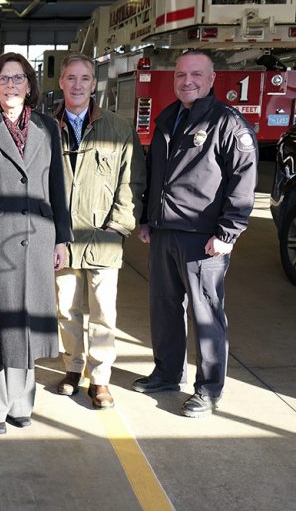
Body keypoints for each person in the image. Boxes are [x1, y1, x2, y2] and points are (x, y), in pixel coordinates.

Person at [133, 50, 257, 418]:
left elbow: (243, 181)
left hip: (203, 239)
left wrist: (228, 232)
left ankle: (208, 389)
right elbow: (155, 172)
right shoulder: (169, 117)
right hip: (164, 230)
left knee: (206, 314)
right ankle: (168, 373)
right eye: (182, 75)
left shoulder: (227, 123)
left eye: (196, 75)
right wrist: (146, 219)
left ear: (212, 78)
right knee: (164, 308)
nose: (188, 81)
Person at [0, 52, 72, 435]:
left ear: (29, 84)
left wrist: (62, 239)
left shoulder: (46, 127)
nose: (10, 85)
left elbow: (58, 188)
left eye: (17, 78)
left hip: (37, 240)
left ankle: (21, 404)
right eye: (3, 79)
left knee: (26, 323)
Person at [53, 53, 146, 408]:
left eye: (85, 79)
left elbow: (132, 179)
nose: (77, 85)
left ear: (95, 84)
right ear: (61, 83)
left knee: (104, 312)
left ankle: (101, 377)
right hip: (63, 239)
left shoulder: (119, 128)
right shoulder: (48, 128)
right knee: (66, 309)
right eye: (71, 78)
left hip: (104, 237)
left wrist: (119, 224)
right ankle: (73, 369)